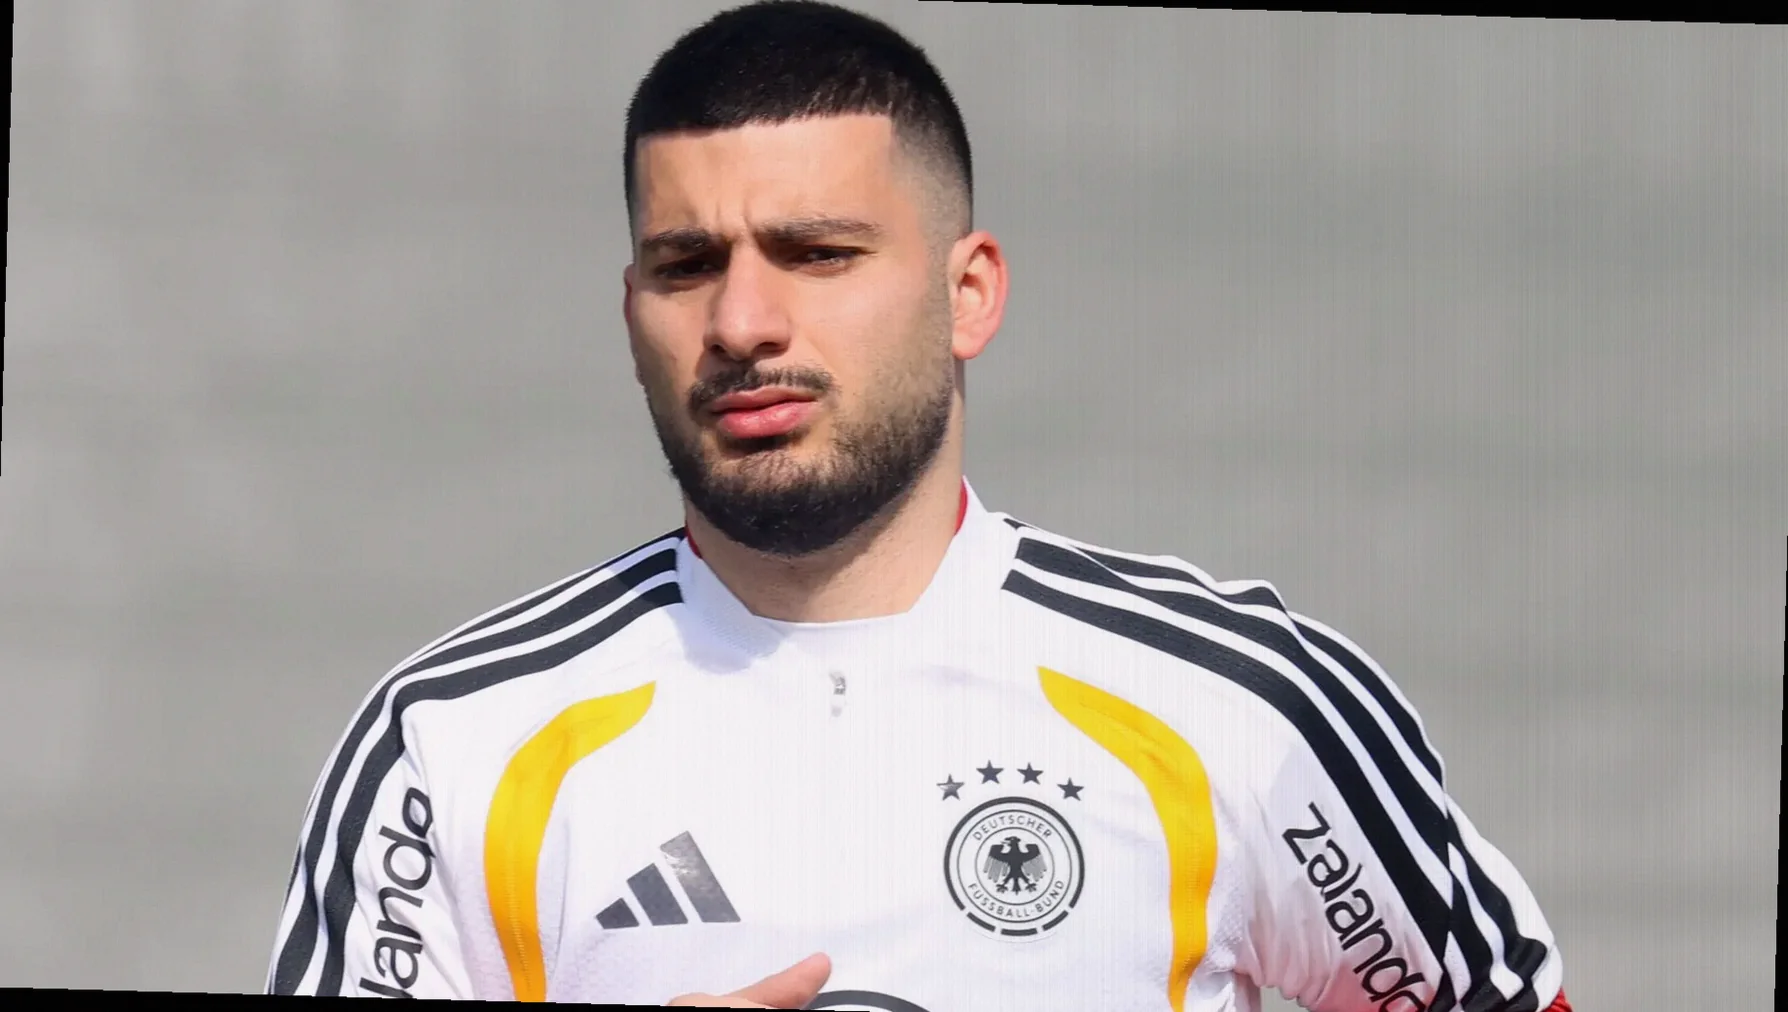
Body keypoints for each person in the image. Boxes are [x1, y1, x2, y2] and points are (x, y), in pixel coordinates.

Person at [264, 3, 1571, 1009]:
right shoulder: (454, 742)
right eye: (687, 264)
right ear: (630, 311)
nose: (742, 321)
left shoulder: (1239, 702)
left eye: (818, 253)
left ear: (968, 294)